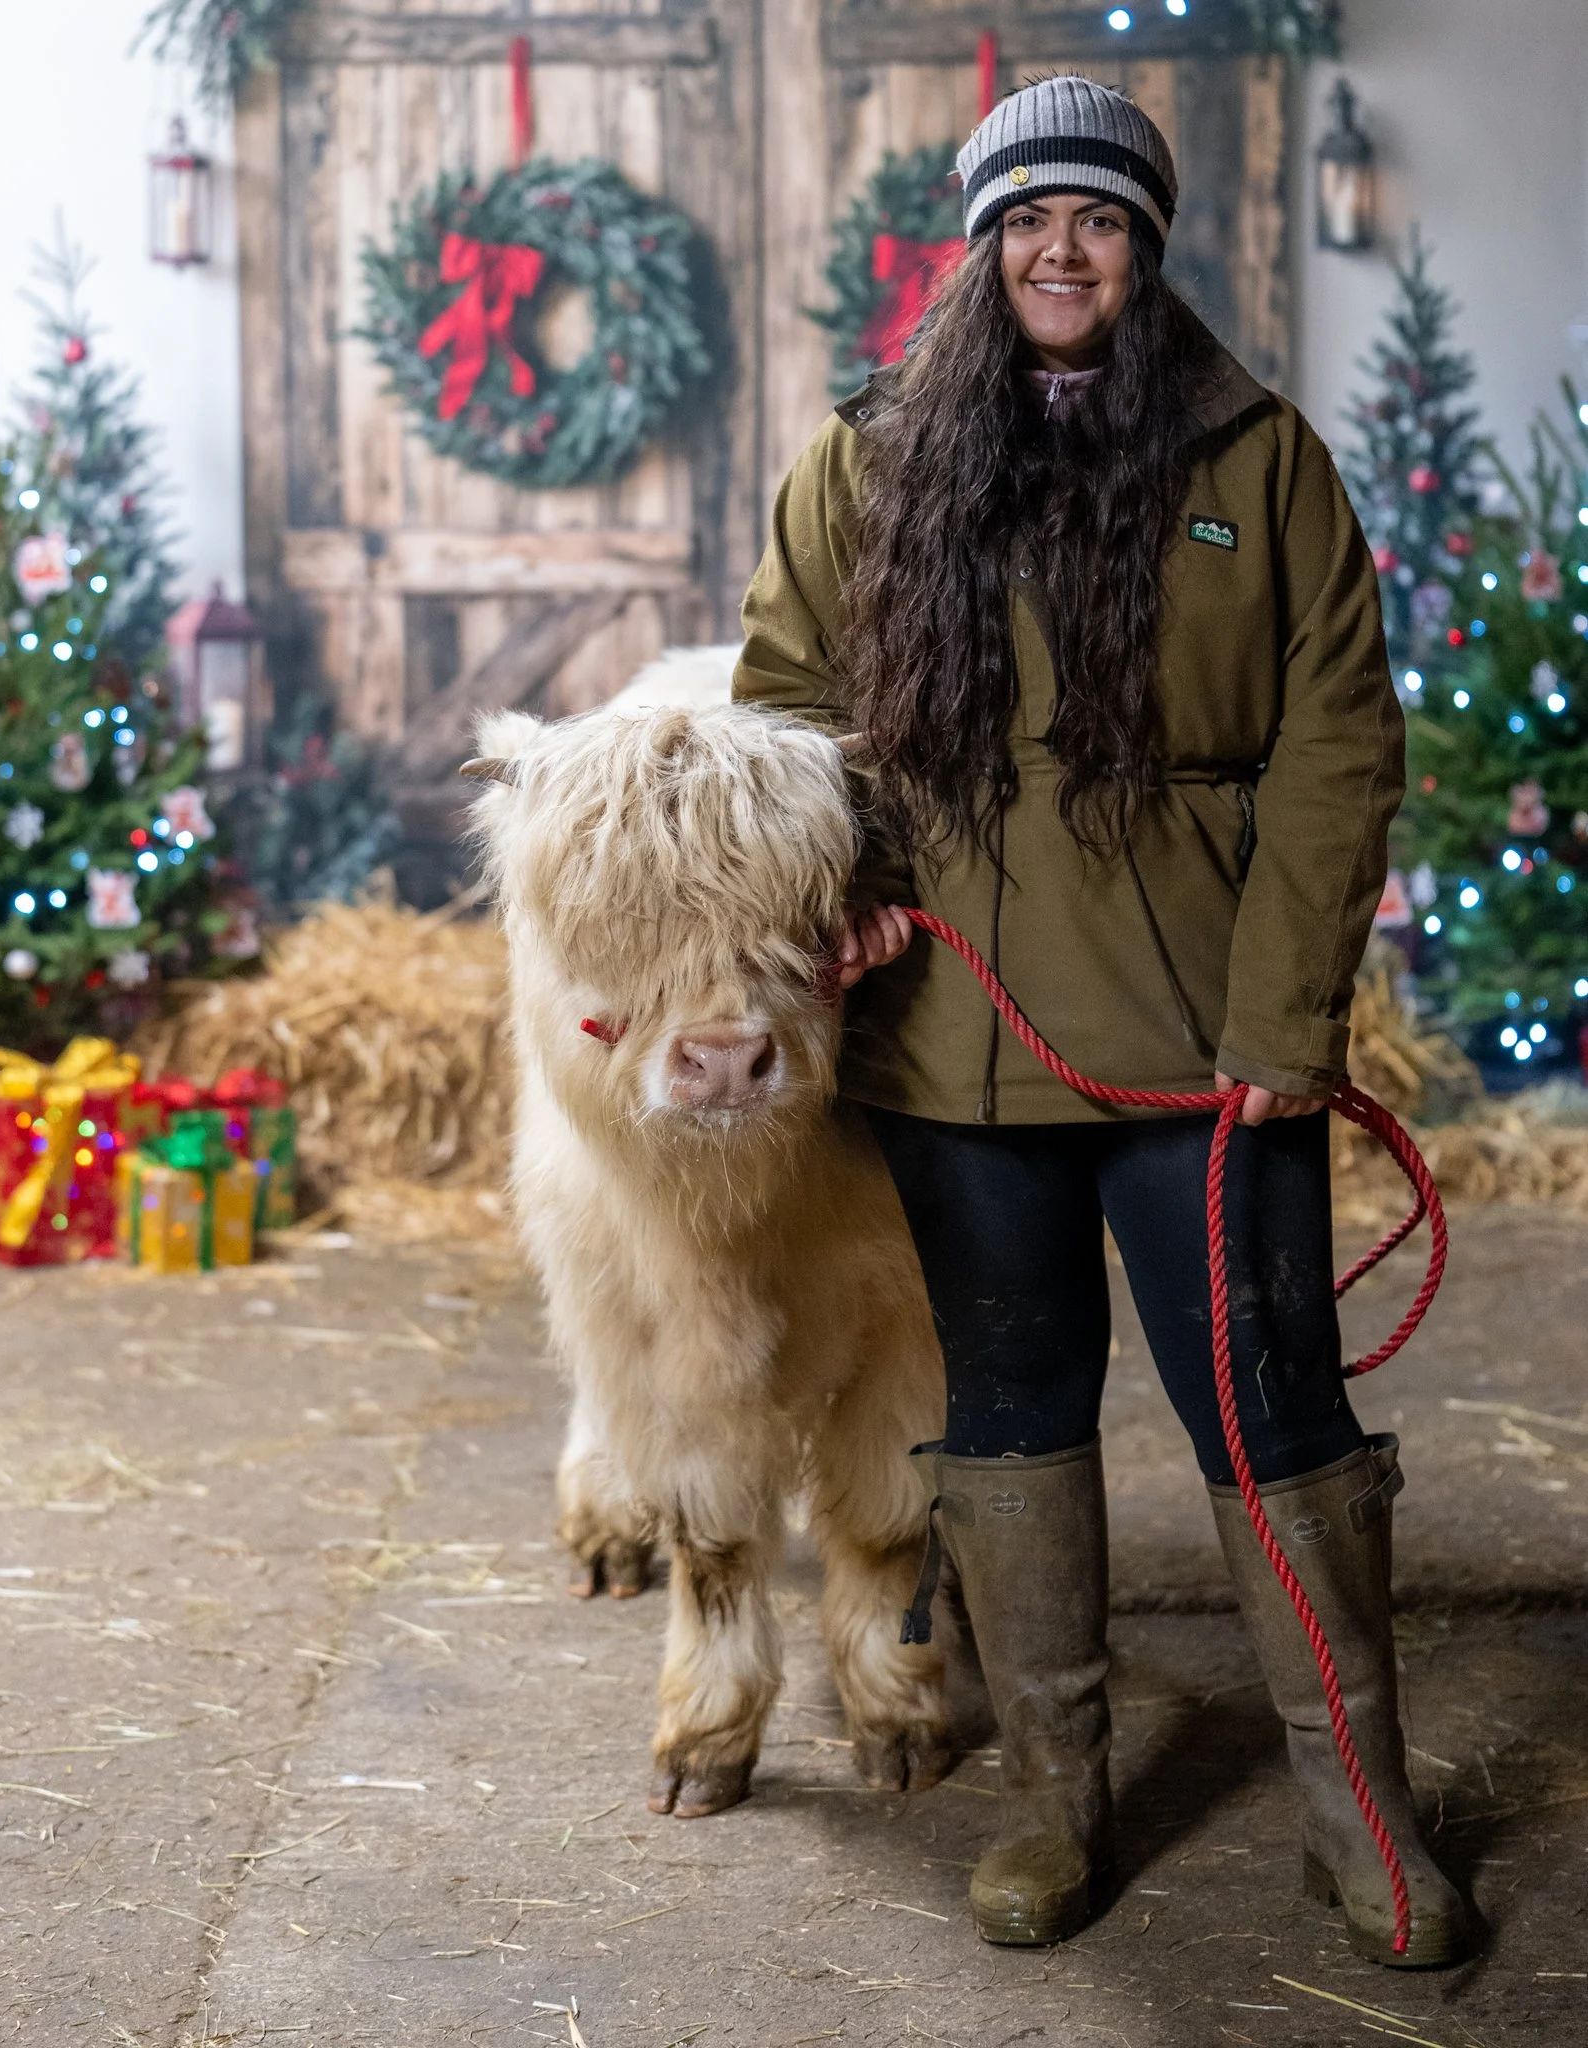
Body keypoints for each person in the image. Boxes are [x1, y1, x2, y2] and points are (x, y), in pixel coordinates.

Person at [732, 74, 1472, 1969]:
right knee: (1006, 1410)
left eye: (1102, 222)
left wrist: (1280, 1024)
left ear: (1144, 249)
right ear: (982, 250)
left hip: (1201, 1041)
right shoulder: (870, 458)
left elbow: (1335, 745)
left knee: (1274, 1413)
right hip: (954, 1033)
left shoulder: (1257, 455)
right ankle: (1054, 1806)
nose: (1064, 253)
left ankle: (1354, 1820)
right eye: (1030, 222)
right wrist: (846, 890)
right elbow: (789, 706)